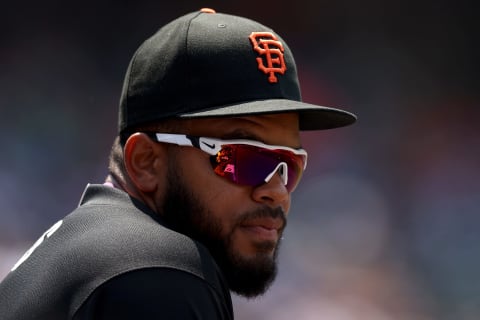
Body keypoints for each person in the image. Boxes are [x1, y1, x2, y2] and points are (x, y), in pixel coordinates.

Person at [0, 8, 356, 319]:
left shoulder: (93, 251)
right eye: (242, 158)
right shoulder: (157, 269)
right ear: (146, 162)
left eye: (289, 164)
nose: (277, 192)